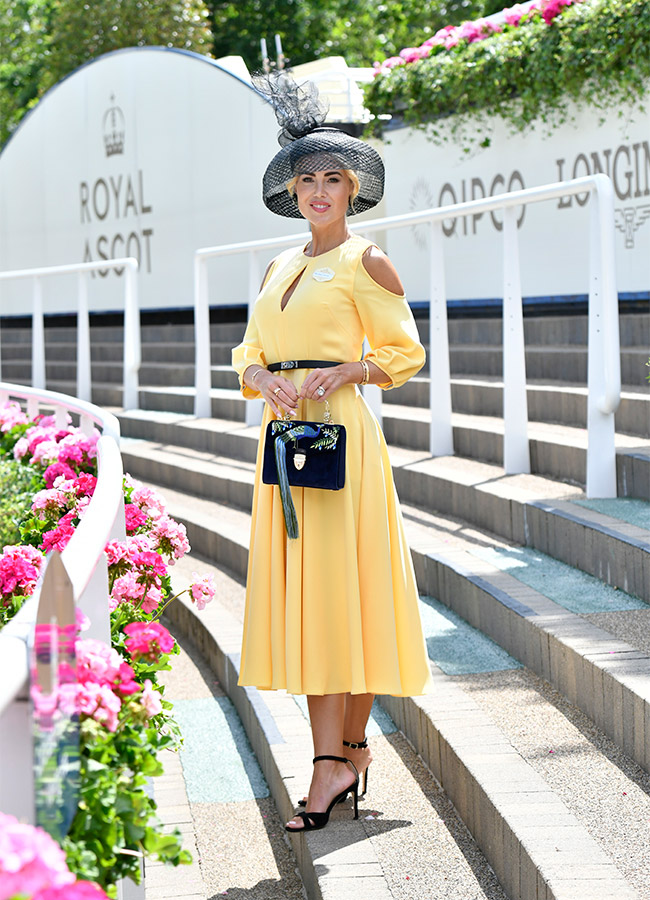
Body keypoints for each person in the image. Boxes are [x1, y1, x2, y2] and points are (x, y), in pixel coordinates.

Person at [231, 75, 432, 833]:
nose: (319, 191)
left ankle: (329, 765)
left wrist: (349, 370)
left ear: (352, 190)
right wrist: (258, 377)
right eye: (308, 179)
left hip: (341, 441)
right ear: (293, 189)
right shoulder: (278, 266)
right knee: (321, 594)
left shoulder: (365, 261)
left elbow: (404, 352)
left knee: (345, 589)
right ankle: (345, 755)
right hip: (285, 440)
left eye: (333, 180)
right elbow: (249, 349)